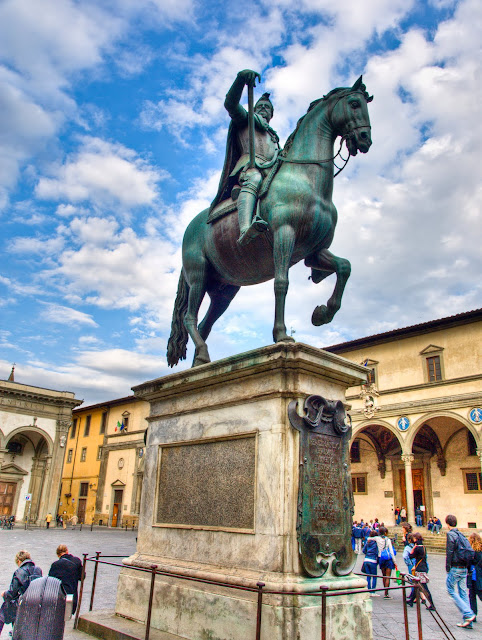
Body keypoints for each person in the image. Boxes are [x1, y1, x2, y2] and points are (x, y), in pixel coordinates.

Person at [210, 69, 280, 246]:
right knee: (254, 178)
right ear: (254, 109)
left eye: (268, 108)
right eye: (261, 107)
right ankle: (244, 229)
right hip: (250, 167)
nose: (264, 110)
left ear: (271, 115)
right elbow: (230, 104)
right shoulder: (246, 120)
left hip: (271, 171)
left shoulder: (274, 137)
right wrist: (240, 79)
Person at [0, 550, 42, 634]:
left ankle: (16, 631)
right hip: (37, 602)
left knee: (5, 608)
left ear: (19, 561)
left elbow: (12, 593)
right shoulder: (38, 570)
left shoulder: (19, 572)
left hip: (23, 603)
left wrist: (4, 594)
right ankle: (16, 630)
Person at [445, 514, 476, 628]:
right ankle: (468, 621)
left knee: (450, 589)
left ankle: (468, 614)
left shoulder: (451, 534)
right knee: (463, 593)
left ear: (447, 523)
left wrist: (448, 567)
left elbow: (450, 552)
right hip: (464, 568)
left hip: (456, 567)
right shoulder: (461, 534)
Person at [48, 544, 83, 613]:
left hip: (59, 596)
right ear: (67, 551)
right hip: (72, 595)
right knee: (68, 614)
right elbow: (82, 577)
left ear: (58, 555)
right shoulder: (77, 561)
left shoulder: (55, 565)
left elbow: (50, 581)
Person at [406, 532, 435, 610]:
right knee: (417, 585)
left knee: (424, 587)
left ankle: (432, 605)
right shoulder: (423, 547)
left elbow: (411, 556)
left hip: (420, 569)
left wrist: (413, 548)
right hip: (424, 567)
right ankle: (411, 600)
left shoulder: (417, 548)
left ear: (415, 539)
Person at [375, 526, 396, 599]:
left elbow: (369, 538)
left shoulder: (377, 539)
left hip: (381, 558)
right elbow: (391, 551)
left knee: (383, 576)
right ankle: (386, 593)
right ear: (385, 533)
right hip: (388, 559)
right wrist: (395, 561)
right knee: (387, 576)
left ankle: (385, 590)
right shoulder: (388, 540)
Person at [467, 532, 482, 620]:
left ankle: (473, 614)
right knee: (476, 594)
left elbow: (468, 563)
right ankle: (473, 614)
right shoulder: (480, 550)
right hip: (477, 576)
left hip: (474, 575)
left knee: (472, 596)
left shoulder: (472, 552)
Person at [362, 530, 379, 595]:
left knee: (368, 576)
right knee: (374, 576)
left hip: (366, 560)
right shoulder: (376, 543)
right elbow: (377, 552)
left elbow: (364, 551)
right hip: (373, 560)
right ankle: (373, 591)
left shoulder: (367, 542)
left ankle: (368, 591)